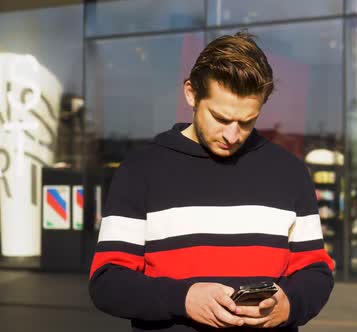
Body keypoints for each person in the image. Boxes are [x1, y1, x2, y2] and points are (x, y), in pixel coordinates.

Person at [88, 31, 334, 332]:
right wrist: (183, 298)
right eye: (220, 118)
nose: (232, 135)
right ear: (191, 94)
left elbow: (315, 270)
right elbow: (108, 281)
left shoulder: (289, 172)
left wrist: (290, 304)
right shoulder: (140, 170)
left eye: (246, 121)